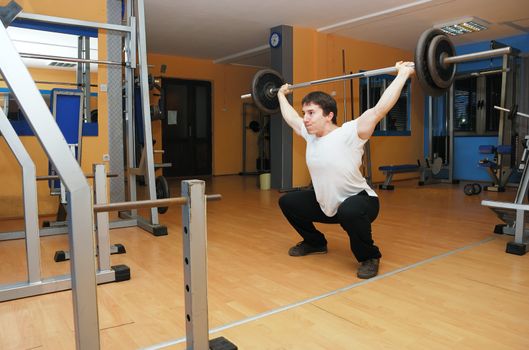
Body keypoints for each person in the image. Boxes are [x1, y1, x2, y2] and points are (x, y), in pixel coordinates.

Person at [277, 61, 415, 279]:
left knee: (349, 210)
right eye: (305, 112)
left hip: (361, 202)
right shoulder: (310, 135)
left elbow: (381, 108)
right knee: (288, 202)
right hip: (327, 203)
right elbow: (291, 118)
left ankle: (369, 256)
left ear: (329, 115)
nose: (305, 118)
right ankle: (315, 243)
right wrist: (280, 95)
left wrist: (403, 74)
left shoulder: (350, 132)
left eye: (311, 112)